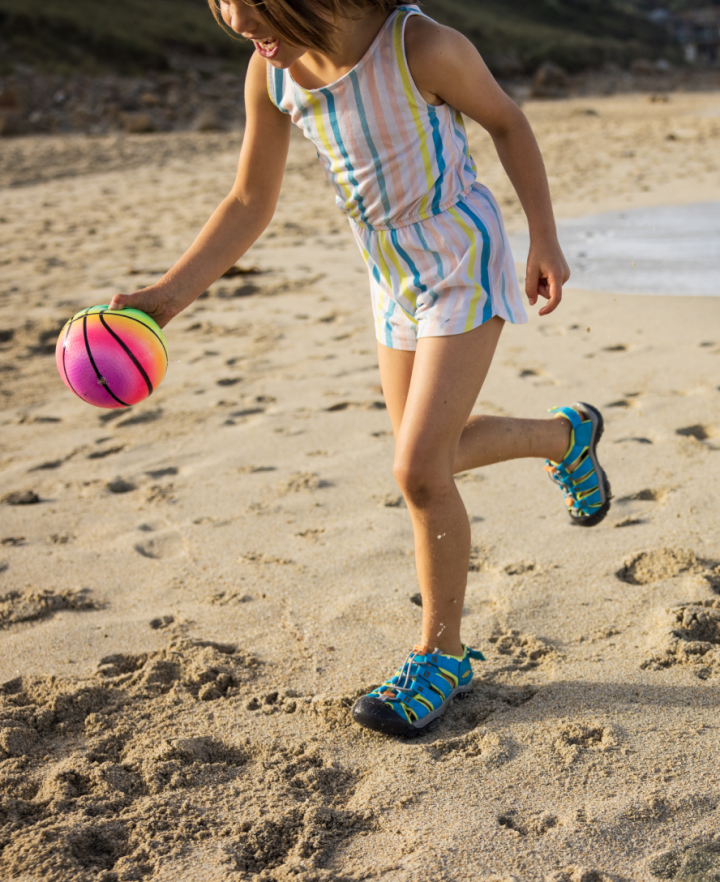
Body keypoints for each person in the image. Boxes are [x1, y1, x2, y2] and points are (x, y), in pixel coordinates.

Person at [109, 0, 611, 737]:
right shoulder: (272, 72)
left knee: (417, 471)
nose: (240, 29)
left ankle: (441, 656)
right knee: (433, 454)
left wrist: (544, 237)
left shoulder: (420, 46)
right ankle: (566, 439)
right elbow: (250, 200)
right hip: (390, 277)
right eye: (225, 13)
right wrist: (164, 300)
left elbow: (507, 121)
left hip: (460, 260)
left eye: (253, 14)